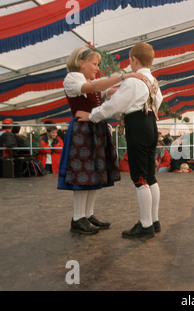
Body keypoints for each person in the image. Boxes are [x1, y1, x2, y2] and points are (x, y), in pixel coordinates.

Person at [76, 42, 162, 239]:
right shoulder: (153, 81)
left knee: (139, 178)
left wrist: (92, 115)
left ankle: (146, 224)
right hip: (151, 124)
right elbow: (158, 101)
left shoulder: (133, 81)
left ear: (134, 60)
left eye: (130, 60)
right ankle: (154, 220)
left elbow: (115, 105)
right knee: (150, 176)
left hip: (137, 126)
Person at [59, 46, 141, 235]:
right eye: (94, 64)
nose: (97, 68)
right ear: (81, 63)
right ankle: (78, 218)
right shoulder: (73, 78)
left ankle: (88, 214)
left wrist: (132, 85)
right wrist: (124, 77)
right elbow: (94, 88)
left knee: (93, 172)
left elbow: (106, 90)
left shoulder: (90, 80)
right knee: (83, 172)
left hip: (94, 128)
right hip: (82, 129)